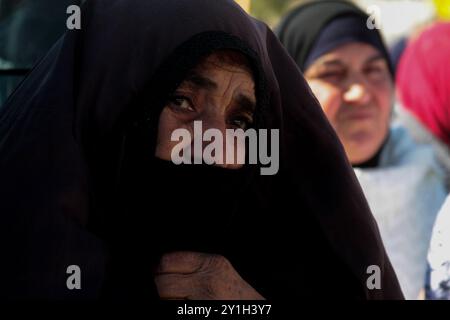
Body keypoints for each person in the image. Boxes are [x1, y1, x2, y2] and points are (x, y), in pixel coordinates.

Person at [0, 0, 403, 300]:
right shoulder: (32, 261)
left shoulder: (267, 270)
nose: (216, 147)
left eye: (240, 121)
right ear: (111, 109)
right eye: (181, 101)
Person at [276, 0, 446, 299]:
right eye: (333, 73)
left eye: (374, 69)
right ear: (288, 89)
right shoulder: (266, 202)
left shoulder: (434, 175)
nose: (360, 91)